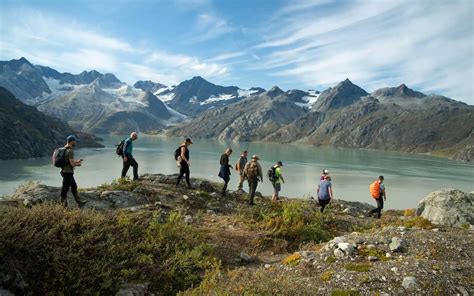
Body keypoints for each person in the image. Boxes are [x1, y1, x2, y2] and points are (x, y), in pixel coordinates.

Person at [60, 135, 86, 208]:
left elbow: (68, 161)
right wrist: (78, 164)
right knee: (65, 189)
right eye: (75, 141)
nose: (75, 142)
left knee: (74, 186)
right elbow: (71, 164)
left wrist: (76, 161)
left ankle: (79, 202)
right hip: (68, 173)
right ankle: (63, 206)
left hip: (64, 171)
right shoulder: (70, 151)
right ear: (72, 141)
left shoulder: (64, 148)